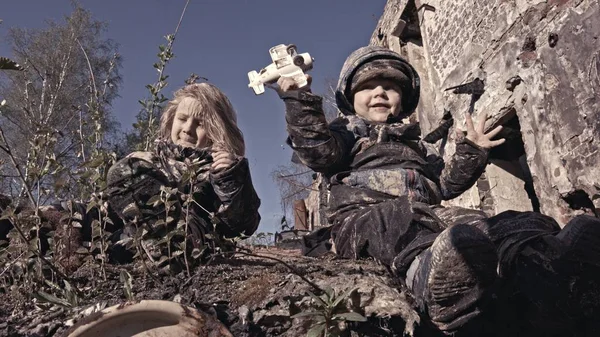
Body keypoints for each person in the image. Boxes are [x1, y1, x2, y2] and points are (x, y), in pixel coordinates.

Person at [270, 45, 600, 336]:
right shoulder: (345, 135)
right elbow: (316, 150)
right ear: (350, 98)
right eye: (369, 85)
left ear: (404, 99)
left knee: (490, 223)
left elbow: (444, 184)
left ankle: (551, 266)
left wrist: (472, 151)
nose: (381, 92)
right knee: (398, 221)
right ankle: (435, 282)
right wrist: (298, 100)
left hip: (432, 213)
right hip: (364, 219)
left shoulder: (417, 146)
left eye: (390, 86)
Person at [105, 82, 261, 265]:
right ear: (171, 120)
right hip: (134, 247)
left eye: (200, 123)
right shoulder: (145, 163)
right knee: (78, 212)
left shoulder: (220, 170)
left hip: (198, 248)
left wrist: (229, 179)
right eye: (182, 119)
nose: (187, 128)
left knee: (130, 171)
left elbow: (244, 225)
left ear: (215, 130)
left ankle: (177, 250)